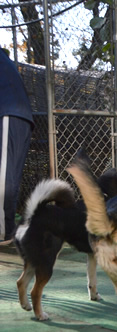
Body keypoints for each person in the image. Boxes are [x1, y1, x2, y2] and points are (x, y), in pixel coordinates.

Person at [0, 48, 34, 245]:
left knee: (5, 175)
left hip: (9, 113)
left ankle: (4, 231)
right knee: (7, 173)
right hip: (16, 115)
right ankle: (5, 227)